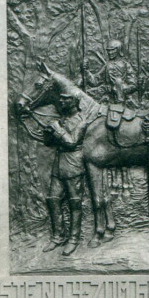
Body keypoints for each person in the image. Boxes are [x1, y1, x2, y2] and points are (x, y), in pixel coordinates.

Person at [42, 92, 100, 256]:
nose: (61, 101)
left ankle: (73, 239)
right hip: (59, 164)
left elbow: (71, 142)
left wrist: (58, 130)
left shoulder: (82, 121)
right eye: (60, 98)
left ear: (74, 101)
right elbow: (49, 143)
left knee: (75, 202)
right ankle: (58, 236)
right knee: (53, 199)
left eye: (65, 99)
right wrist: (48, 133)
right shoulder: (62, 119)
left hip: (73, 163)